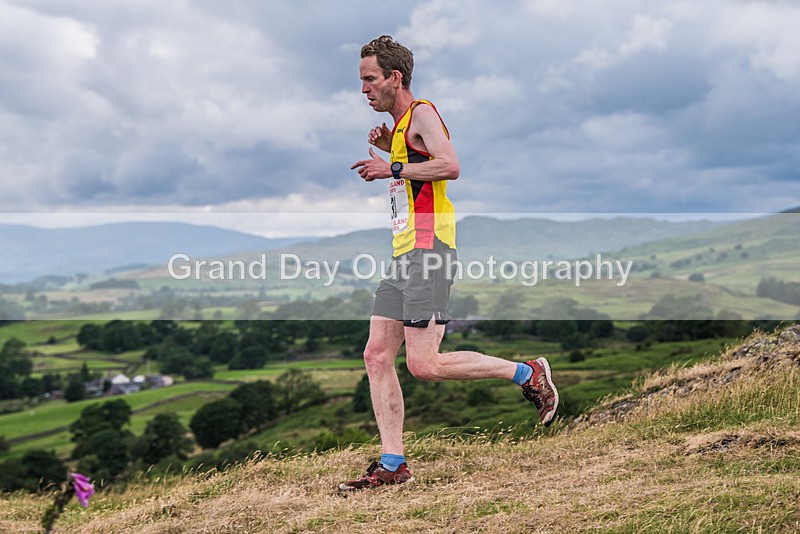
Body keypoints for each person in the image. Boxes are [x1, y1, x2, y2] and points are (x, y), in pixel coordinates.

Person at [340, 35, 558, 492]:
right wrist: (392, 152)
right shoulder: (401, 127)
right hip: (405, 253)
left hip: (429, 250)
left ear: (394, 78)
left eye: (369, 79)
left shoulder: (422, 112)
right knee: (377, 354)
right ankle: (393, 463)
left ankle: (528, 373)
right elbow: (417, 170)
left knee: (424, 364)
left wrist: (392, 168)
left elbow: (450, 165)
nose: (363, 89)